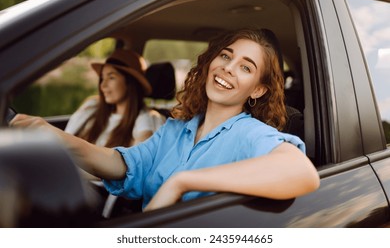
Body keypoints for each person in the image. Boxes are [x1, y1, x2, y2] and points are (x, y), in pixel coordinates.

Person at [10, 28, 320, 212]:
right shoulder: (175, 129)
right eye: (226, 56)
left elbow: (302, 172)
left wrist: (182, 181)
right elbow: (123, 164)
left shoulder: (250, 133)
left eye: (245, 67)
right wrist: (54, 136)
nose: (227, 67)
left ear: (258, 89)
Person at [64, 48, 165, 148]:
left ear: (130, 82)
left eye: (111, 77)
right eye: (102, 78)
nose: (103, 85)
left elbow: (138, 160)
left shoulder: (146, 119)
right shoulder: (92, 107)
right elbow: (64, 141)